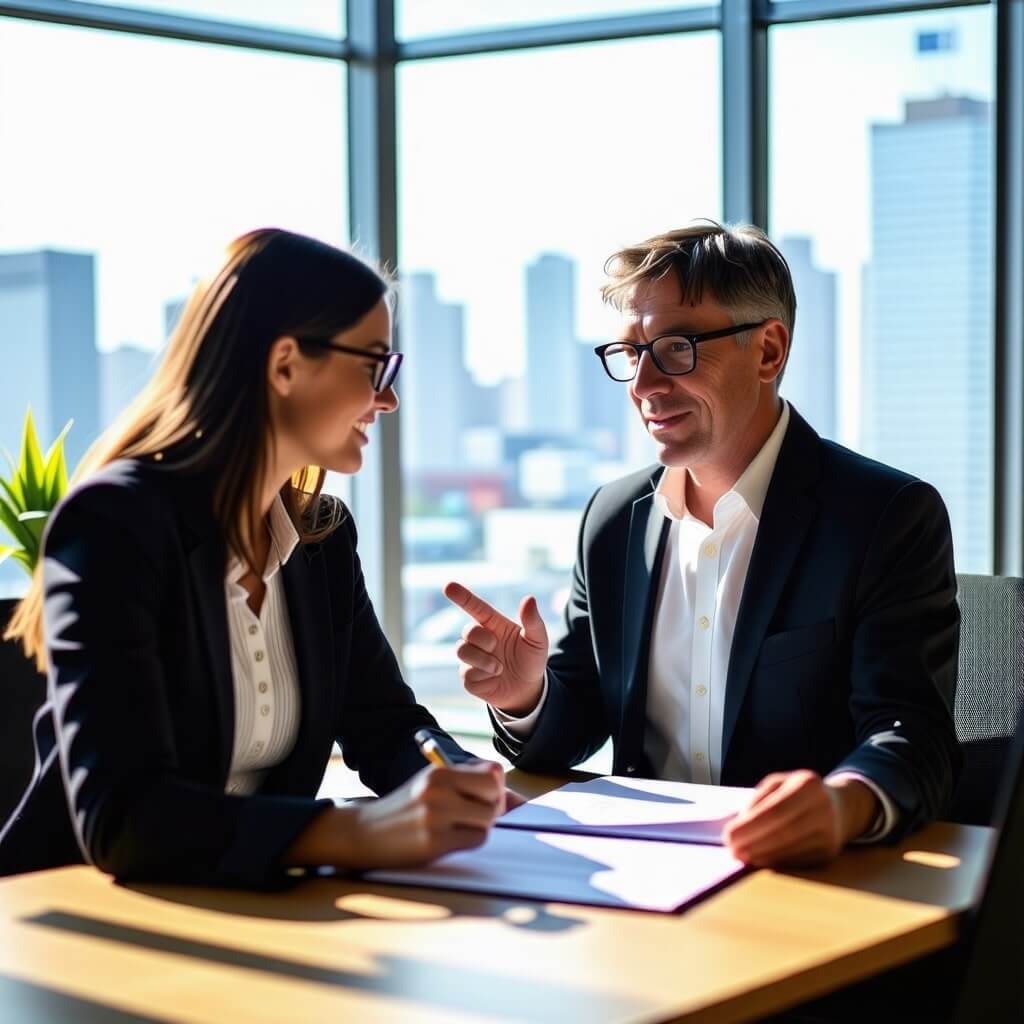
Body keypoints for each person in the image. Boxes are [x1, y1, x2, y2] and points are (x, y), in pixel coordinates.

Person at [445, 221, 960, 868]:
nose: (643, 385)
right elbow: (573, 726)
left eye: (677, 347)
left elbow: (912, 736)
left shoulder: (882, 516)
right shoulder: (613, 520)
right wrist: (525, 697)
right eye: (633, 354)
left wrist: (840, 803)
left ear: (769, 351)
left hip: (803, 881)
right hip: (639, 875)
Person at [0, 228, 506, 886]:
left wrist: (459, 777)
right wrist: (354, 831)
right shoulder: (114, 524)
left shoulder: (320, 536)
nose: (388, 398)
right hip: (85, 923)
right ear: (286, 364)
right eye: (373, 364)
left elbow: (384, 723)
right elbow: (125, 817)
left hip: (255, 909)